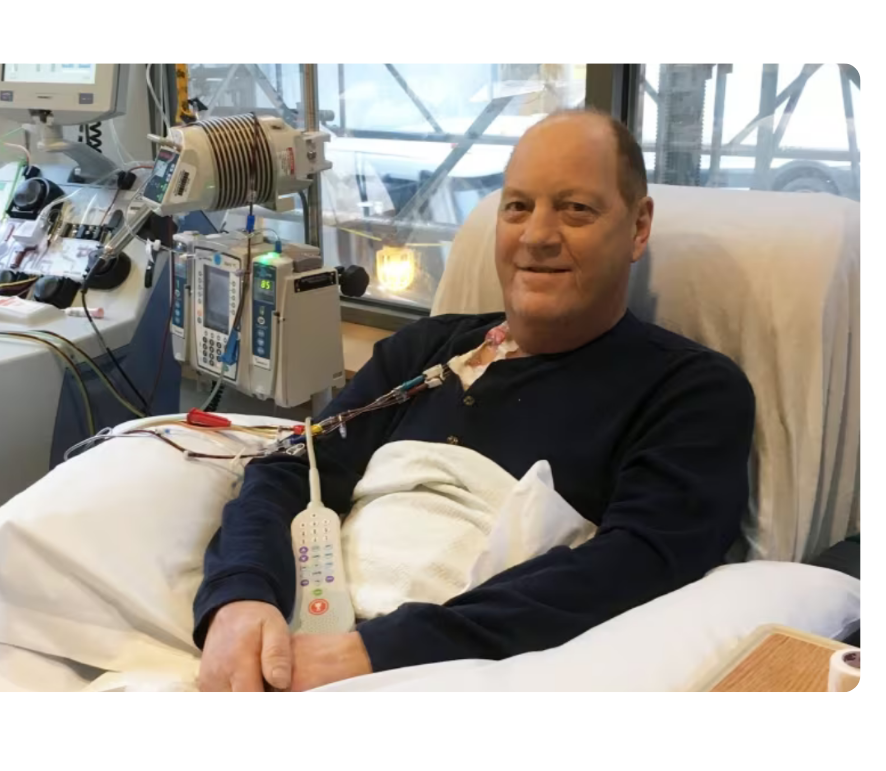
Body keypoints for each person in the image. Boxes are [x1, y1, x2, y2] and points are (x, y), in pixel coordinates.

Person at [194, 109, 756, 692]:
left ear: (638, 228)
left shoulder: (687, 392)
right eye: (517, 207)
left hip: (435, 673)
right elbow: (292, 466)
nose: (537, 236)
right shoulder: (423, 350)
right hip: (300, 635)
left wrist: (376, 651)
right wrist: (241, 596)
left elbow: (637, 566)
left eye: (575, 209)